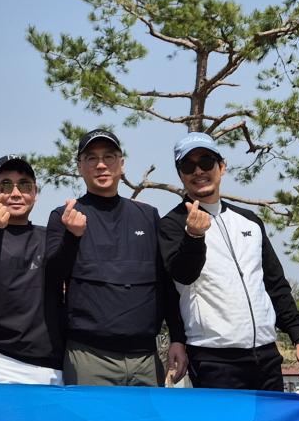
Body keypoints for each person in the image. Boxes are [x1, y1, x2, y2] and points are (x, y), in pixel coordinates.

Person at [157, 132, 299, 391]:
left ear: (222, 167)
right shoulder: (172, 225)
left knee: (270, 420)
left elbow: (275, 284)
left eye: (206, 162)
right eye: (188, 166)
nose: (198, 171)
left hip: (266, 354)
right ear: (180, 175)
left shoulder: (250, 221)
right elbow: (182, 276)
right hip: (213, 358)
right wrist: (194, 236)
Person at [44, 129, 204, 387]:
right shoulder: (64, 216)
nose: (101, 165)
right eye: (91, 158)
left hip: (146, 358)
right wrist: (72, 237)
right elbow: (52, 277)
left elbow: (165, 284)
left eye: (109, 156)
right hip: (89, 356)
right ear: (80, 167)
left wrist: (177, 337)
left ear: (122, 164)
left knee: (146, 417)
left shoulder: (148, 216)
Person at [0, 156, 64, 385]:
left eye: (25, 185)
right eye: (6, 185)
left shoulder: (51, 237)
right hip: (0, 362)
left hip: (52, 365)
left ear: (35, 192)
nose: (16, 193)